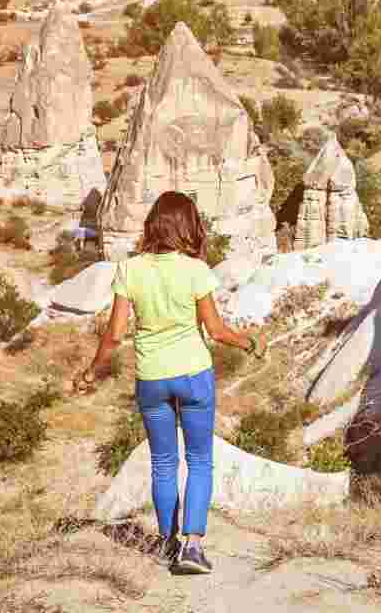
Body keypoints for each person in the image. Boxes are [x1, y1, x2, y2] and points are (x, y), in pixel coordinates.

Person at [70, 191, 262, 575]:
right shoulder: (195, 270)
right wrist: (249, 342)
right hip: (193, 375)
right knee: (200, 461)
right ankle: (192, 546)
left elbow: (114, 334)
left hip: (152, 378)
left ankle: (166, 543)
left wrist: (91, 372)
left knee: (162, 463)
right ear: (189, 225)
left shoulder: (130, 269)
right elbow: (216, 329)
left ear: (154, 224)